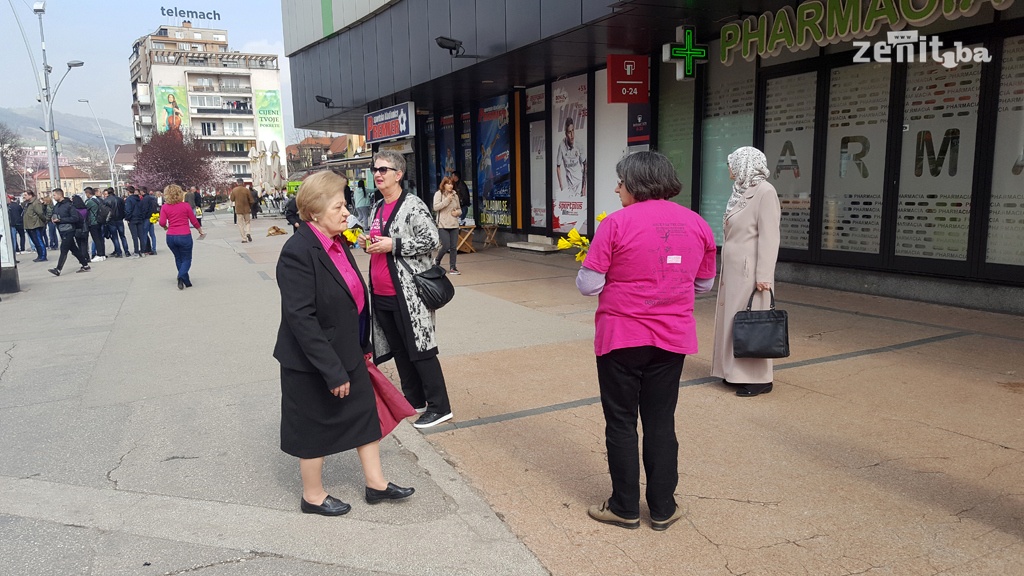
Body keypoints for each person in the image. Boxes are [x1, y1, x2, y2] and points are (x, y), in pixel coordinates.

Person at [575, 151, 717, 531]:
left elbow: (589, 285)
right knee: (660, 421)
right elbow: (704, 283)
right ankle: (663, 507)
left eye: (621, 180)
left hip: (622, 336)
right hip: (672, 338)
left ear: (637, 183)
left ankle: (624, 506)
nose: (616, 187)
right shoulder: (697, 224)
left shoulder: (616, 224)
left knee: (620, 421)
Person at [274, 170, 414, 516]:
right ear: (315, 212)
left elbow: (352, 298)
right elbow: (301, 319)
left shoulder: (338, 242)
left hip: (348, 348)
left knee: (364, 414)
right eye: (338, 206)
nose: (346, 211)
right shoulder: (298, 251)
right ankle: (313, 495)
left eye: (345, 204)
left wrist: (361, 344)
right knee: (313, 424)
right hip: (312, 360)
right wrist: (333, 371)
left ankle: (376, 484)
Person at [362, 151, 452, 429]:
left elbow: (431, 239)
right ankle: (415, 400)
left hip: (409, 294)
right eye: (375, 169)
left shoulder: (413, 205)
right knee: (400, 350)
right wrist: (370, 242)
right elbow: (381, 240)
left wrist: (395, 245)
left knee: (420, 349)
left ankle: (440, 407)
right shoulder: (377, 206)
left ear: (398, 174)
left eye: (383, 170)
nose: (377, 174)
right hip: (382, 293)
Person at [711, 146, 782, 398]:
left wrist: (764, 275)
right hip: (734, 270)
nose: (729, 168)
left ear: (745, 164)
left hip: (751, 271)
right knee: (735, 321)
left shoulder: (765, 191)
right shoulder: (741, 192)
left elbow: (770, 236)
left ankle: (759, 379)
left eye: (732, 163)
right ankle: (734, 372)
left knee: (753, 323)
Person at [159, 184, 206, 290]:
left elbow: (161, 222)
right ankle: (180, 276)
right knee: (187, 259)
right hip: (184, 235)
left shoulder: (165, 207)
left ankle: (186, 281)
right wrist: (200, 230)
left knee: (178, 258)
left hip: (171, 236)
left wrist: (166, 226)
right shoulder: (185, 206)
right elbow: (193, 220)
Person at [48, 189, 91, 276]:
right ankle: (85, 265)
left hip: (69, 230)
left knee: (64, 249)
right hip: (61, 230)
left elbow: (75, 218)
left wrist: (61, 220)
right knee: (74, 250)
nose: (53, 197)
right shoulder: (57, 206)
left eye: (54, 195)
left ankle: (58, 269)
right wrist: (53, 219)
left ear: (60, 195)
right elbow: (54, 214)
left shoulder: (69, 205)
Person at [432, 176, 462, 275]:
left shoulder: (455, 196)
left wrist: (457, 213)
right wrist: (447, 200)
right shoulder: (438, 194)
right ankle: (437, 260)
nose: (450, 186)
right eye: (448, 183)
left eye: (452, 184)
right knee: (446, 246)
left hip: (454, 223)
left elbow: (459, 209)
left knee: (453, 247)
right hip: (443, 224)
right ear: (443, 185)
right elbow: (435, 207)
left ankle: (453, 267)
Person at [556, 117, 587, 198]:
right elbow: (558, 167)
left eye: (573, 130)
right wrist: (561, 186)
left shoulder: (579, 144)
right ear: (566, 133)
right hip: (569, 185)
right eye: (569, 132)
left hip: (579, 183)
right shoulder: (562, 146)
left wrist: (584, 187)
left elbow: (585, 164)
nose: (572, 135)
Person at [103, 188, 130, 258]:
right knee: (123, 236)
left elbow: (105, 212)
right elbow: (124, 209)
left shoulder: (106, 201)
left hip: (111, 220)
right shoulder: (120, 199)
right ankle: (127, 251)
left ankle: (119, 252)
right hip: (120, 219)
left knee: (115, 237)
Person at [22, 191, 48, 262]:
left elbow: (40, 213)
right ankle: (39, 255)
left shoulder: (36, 203)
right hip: (29, 225)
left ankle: (43, 256)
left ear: (30, 195)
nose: (24, 196)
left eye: (25, 195)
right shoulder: (27, 203)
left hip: (35, 225)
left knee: (39, 241)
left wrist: (44, 221)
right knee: (35, 242)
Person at [125, 186, 149, 257]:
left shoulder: (129, 200)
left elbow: (128, 210)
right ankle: (143, 251)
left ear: (128, 192)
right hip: (140, 219)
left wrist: (127, 218)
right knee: (141, 236)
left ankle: (136, 251)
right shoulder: (139, 199)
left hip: (132, 219)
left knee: (134, 236)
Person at [84, 188, 107, 262]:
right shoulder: (98, 200)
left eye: (86, 193)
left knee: (96, 239)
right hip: (99, 221)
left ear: (88, 193)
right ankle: (102, 254)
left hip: (93, 222)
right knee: (100, 238)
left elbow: (85, 209)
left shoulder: (90, 201)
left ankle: (99, 254)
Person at [142, 186, 159, 255]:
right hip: (153, 217)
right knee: (152, 234)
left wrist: (142, 217)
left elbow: (145, 209)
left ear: (142, 192)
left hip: (146, 218)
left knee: (144, 234)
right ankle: (154, 249)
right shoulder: (153, 198)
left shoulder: (145, 199)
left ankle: (144, 249)